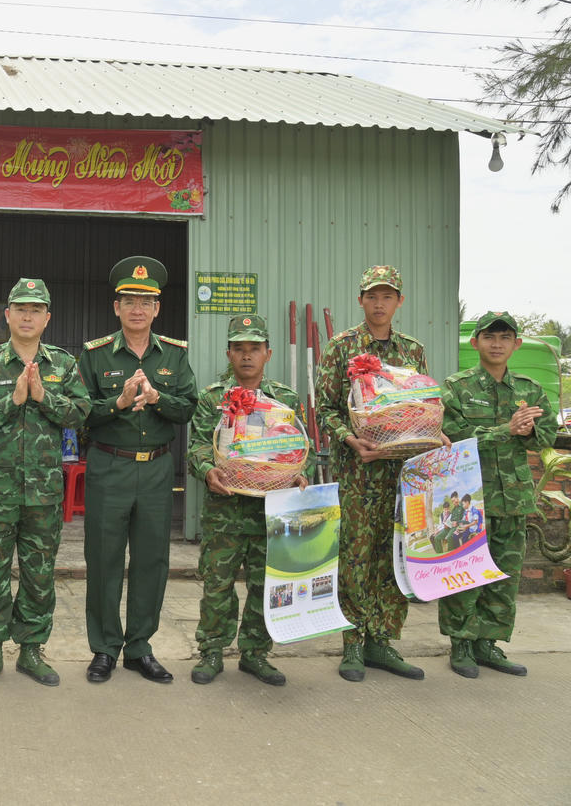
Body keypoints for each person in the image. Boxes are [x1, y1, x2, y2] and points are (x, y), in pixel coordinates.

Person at [316, 264, 446, 682]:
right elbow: (326, 409)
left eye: (387, 296)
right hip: (358, 472)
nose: (379, 303)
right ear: (360, 300)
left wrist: (435, 433)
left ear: (399, 302)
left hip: (404, 474)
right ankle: (353, 643)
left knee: (395, 556)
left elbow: (422, 406)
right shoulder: (341, 347)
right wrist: (350, 439)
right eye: (372, 296)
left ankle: (383, 642)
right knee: (355, 555)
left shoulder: (413, 351)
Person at [0, 277, 90, 687]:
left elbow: (81, 413)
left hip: (44, 492)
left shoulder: (64, 365)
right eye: (21, 308)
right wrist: (12, 399)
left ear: (47, 318)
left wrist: (43, 397)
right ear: (7, 315)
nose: (28, 315)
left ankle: (31, 650)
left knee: (38, 573)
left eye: (36, 309)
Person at [76, 256, 197, 684]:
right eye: (129, 300)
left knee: (151, 560)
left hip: (158, 470)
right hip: (110, 466)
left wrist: (157, 397)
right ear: (116, 307)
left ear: (158, 308)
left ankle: (140, 647)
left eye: (146, 301)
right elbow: (79, 414)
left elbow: (188, 410)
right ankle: (105, 648)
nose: (137, 309)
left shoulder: (176, 356)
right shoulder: (94, 355)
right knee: (104, 560)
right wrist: (120, 403)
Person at [186, 314, 312, 687]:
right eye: (239, 348)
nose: (246, 356)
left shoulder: (285, 399)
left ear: (267, 353)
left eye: (254, 348)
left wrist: (299, 474)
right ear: (228, 353)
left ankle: (256, 652)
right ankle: (211, 650)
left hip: (270, 510)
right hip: (225, 510)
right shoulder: (213, 398)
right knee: (217, 582)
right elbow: (195, 447)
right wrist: (208, 470)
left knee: (265, 583)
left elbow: (299, 449)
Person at [439, 310, 557, 679]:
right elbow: (452, 436)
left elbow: (546, 438)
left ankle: (488, 644)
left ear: (516, 344)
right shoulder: (456, 387)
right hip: (467, 497)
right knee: (465, 571)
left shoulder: (529, 389)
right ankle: (460, 643)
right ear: (475, 343)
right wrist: (507, 429)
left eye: (505, 337)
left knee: (505, 574)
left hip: (513, 495)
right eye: (489, 336)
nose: (497, 343)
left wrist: (526, 431)